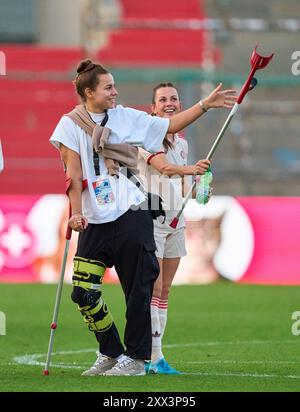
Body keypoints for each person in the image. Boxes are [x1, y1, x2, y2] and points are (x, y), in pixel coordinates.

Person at [50, 59, 237, 377]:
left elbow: (170, 126)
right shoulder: (68, 125)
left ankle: (136, 359)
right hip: (95, 218)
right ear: (88, 92)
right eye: (108, 87)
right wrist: (77, 213)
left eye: (114, 86)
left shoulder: (124, 117)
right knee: (82, 290)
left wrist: (205, 104)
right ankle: (110, 350)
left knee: (140, 288)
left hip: (132, 210)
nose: (115, 92)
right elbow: (73, 176)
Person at [138, 83, 213, 374]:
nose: (169, 103)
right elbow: (165, 168)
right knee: (152, 288)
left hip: (176, 222)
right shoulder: (145, 138)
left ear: (179, 105)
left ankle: (157, 356)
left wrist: (200, 187)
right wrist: (190, 169)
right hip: (151, 221)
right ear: (153, 108)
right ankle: (151, 357)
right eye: (162, 100)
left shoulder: (181, 144)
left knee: (165, 290)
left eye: (174, 99)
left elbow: (181, 185)